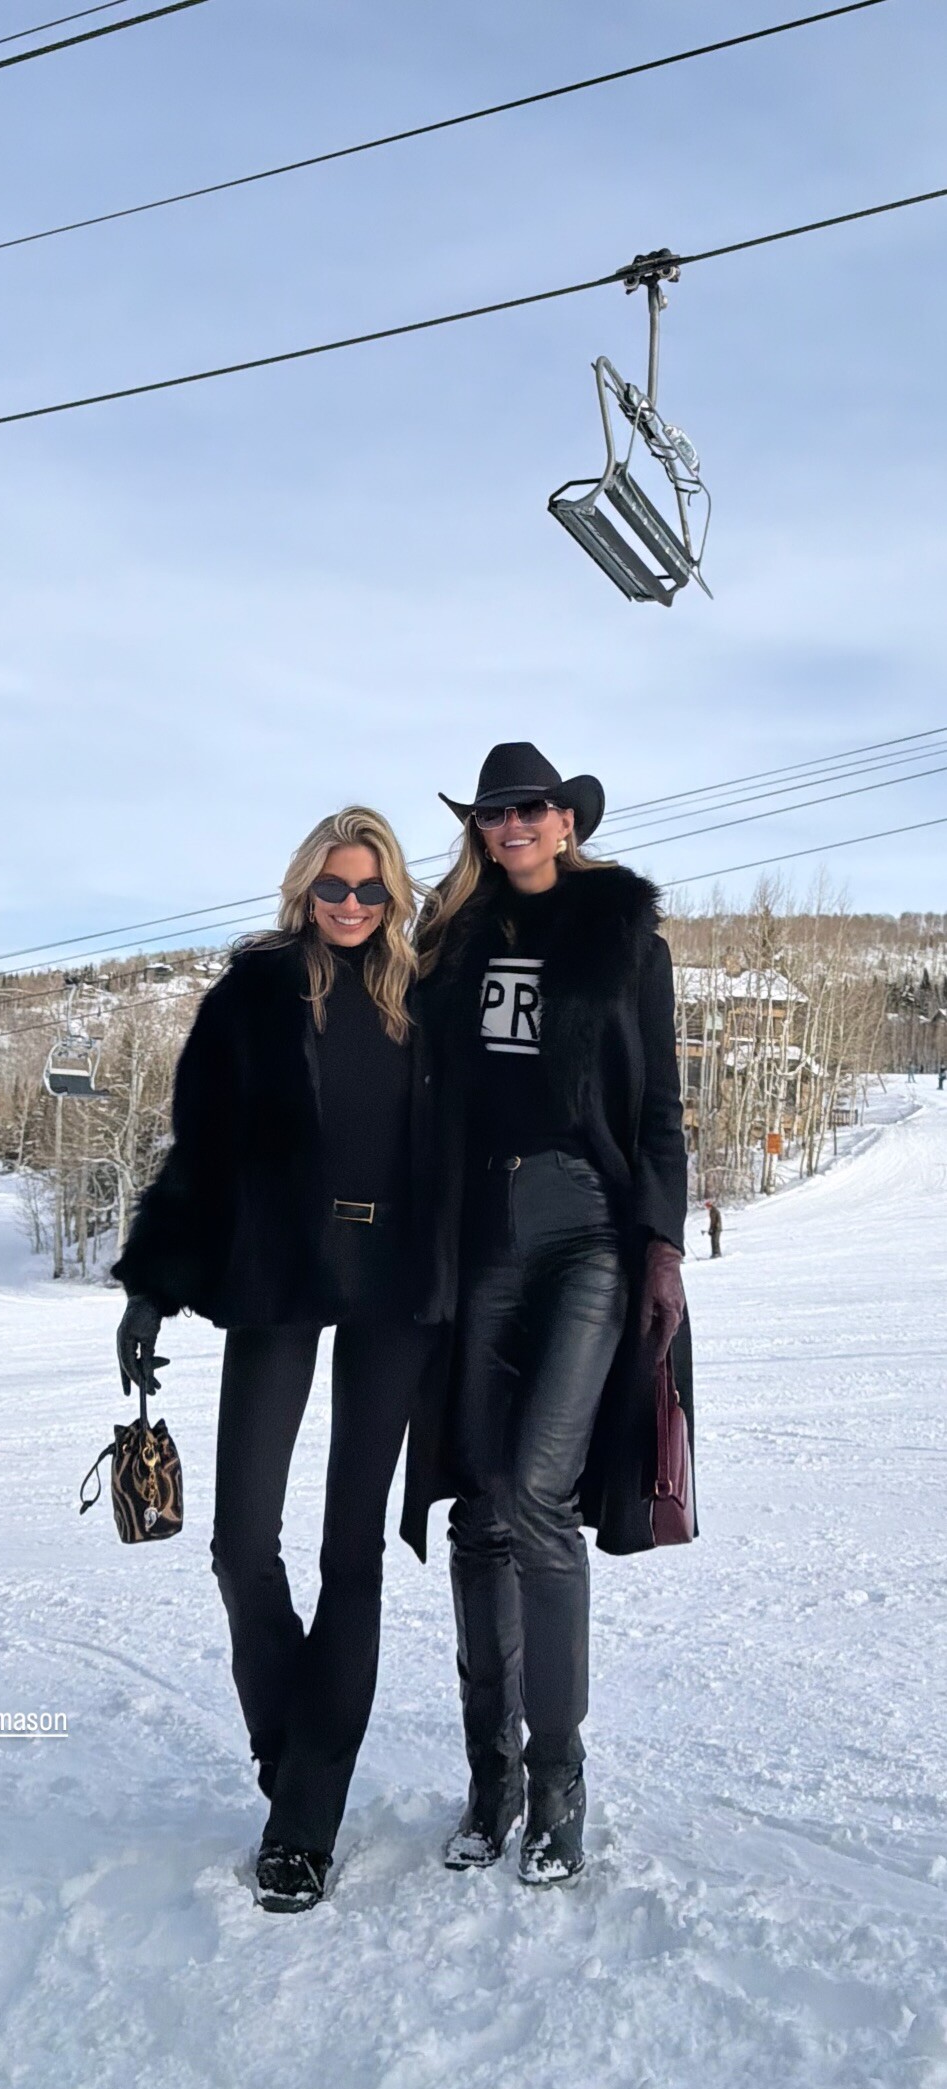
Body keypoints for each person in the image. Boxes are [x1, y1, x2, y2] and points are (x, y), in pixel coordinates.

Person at [112, 808, 449, 1914]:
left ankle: (304, 1821)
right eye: (333, 887)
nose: (350, 906)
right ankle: (289, 1751)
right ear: (305, 889)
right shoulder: (253, 992)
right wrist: (153, 1283)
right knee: (239, 1541)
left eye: (370, 889)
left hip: (397, 1281)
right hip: (278, 1272)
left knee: (352, 1551)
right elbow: (200, 1149)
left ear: (394, 897)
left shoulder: (426, 994)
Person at [413, 741, 691, 1887]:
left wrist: (662, 1240)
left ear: (566, 820)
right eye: (494, 813)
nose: (513, 824)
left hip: (587, 1231)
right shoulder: (452, 941)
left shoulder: (625, 937)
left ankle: (559, 1776)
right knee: (480, 1507)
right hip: (480, 1232)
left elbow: (660, 1102)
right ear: (479, 830)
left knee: (536, 1491)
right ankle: (493, 1777)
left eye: (530, 807)